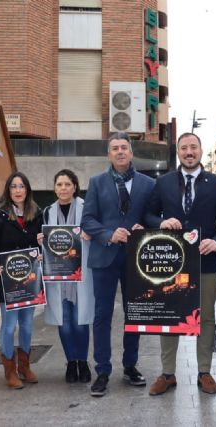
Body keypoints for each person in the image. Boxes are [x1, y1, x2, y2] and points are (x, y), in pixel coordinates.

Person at [145, 132, 216, 396]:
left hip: (205, 260)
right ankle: (168, 373)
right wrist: (161, 222)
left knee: (205, 316)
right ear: (178, 152)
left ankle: (204, 372)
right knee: (170, 315)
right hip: (171, 262)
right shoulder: (163, 183)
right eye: (184, 148)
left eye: (193, 147)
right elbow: (148, 214)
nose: (189, 152)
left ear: (201, 150)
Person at [81, 132, 155, 397]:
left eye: (124, 147)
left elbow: (153, 216)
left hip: (136, 258)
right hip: (105, 255)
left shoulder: (148, 183)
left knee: (134, 313)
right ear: (109, 154)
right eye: (115, 148)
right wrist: (109, 234)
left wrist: (145, 227)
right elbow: (87, 220)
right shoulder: (96, 182)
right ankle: (102, 370)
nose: (120, 151)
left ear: (131, 152)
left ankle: (130, 366)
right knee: (102, 315)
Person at [0, 172, 43, 389]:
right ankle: (9, 370)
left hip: (29, 279)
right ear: (8, 190)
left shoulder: (37, 213)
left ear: (27, 189)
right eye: (13, 186)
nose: (18, 190)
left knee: (27, 325)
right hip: (7, 279)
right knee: (9, 326)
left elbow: (40, 245)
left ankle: (24, 367)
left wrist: (41, 250)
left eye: (22, 186)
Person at [39, 169, 95, 384]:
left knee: (80, 321)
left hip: (80, 272)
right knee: (64, 322)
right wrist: (40, 240)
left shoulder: (87, 207)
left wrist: (90, 235)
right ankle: (71, 362)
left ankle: (83, 361)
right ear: (54, 188)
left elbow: (96, 231)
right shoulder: (47, 212)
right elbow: (44, 241)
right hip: (58, 274)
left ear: (74, 187)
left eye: (67, 184)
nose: (63, 188)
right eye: (59, 184)